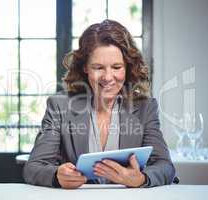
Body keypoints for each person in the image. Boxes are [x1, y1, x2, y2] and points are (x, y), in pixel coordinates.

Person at [23, 19, 175, 189]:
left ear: (127, 67)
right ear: (85, 67)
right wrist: (56, 176)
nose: (108, 77)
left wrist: (141, 179)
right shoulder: (60, 106)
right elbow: (33, 168)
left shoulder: (145, 108)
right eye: (98, 67)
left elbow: (166, 166)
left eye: (116, 67)